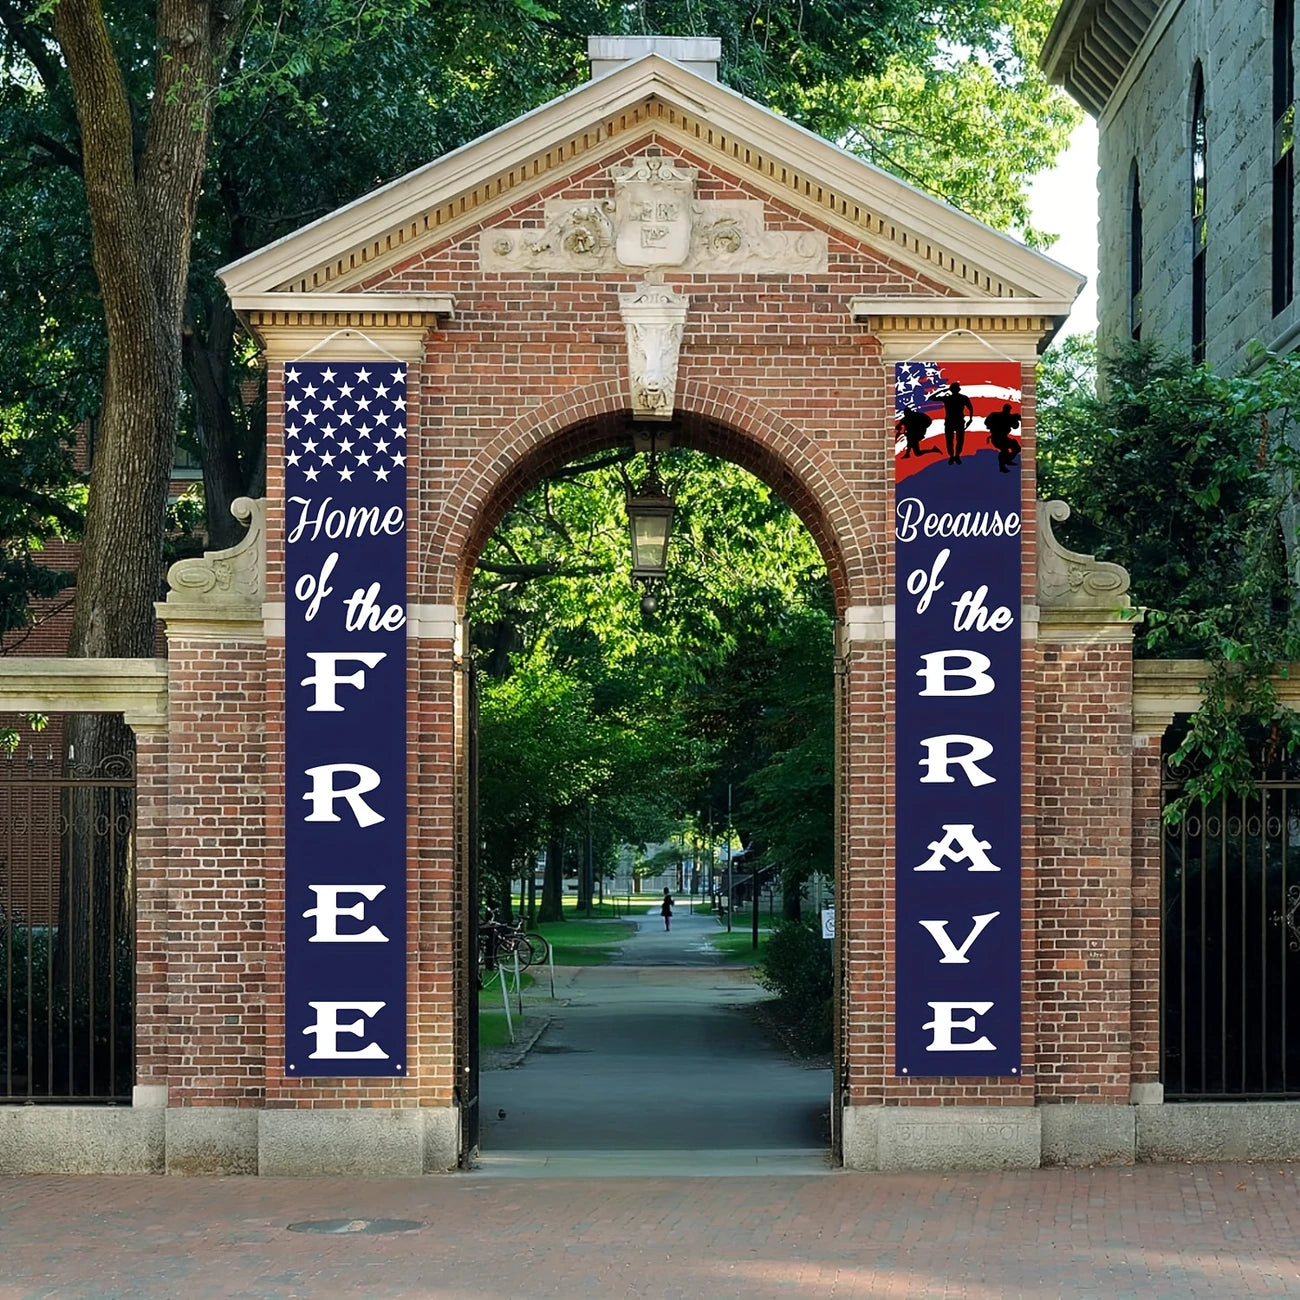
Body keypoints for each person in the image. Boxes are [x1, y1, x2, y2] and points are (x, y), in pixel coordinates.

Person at [930, 380, 975, 464]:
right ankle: (955, 456)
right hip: (955, 421)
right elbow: (970, 408)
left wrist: (942, 391)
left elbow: (932, 397)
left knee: (951, 440)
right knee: (957, 440)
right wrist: (970, 419)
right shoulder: (961, 398)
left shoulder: (949, 398)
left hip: (953, 421)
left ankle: (954, 456)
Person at [984, 402, 1022, 473]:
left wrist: (1015, 420)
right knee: (1004, 450)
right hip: (996, 438)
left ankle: (1007, 461)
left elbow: (1015, 426)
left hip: (1002, 437)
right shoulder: (995, 415)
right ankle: (1003, 465)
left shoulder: (1009, 417)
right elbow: (987, 423)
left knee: (1016, 448)